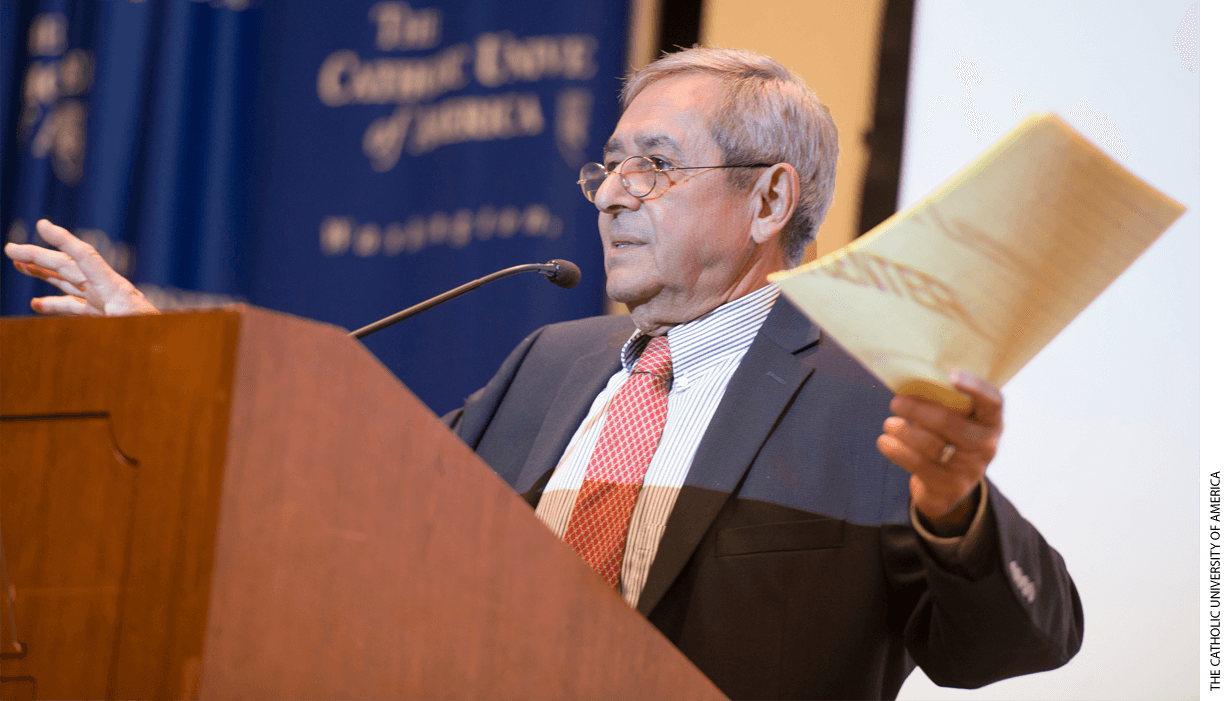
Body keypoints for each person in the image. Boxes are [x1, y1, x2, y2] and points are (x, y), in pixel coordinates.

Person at [7, 47, 1081, 701]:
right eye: (607, 164)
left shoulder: (866, 388)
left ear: (768, 200)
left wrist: (953, 507)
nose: (611, 193)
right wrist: (167, 347)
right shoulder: (548, 363)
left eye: (654, 165)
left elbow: (1015, 639)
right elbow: (344, 493)